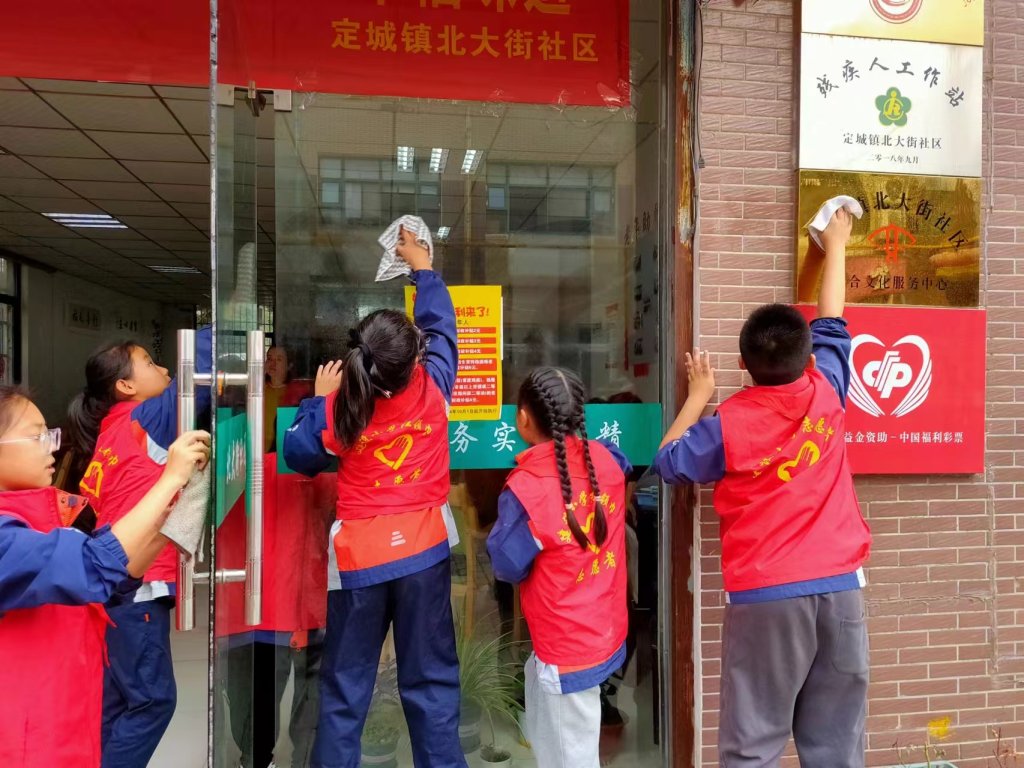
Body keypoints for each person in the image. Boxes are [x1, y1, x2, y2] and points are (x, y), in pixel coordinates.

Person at [653, 208, 872, 767]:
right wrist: (836, 243)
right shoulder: (827, 391)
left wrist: (698, 396)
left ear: (742, 365)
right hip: (842, 590)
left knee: (753, 746)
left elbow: (667, 461)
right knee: (838, 747)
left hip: (766, 598)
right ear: (809, 360)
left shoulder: (727, 425)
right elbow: (832, 318)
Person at [284, 227, 465, 768]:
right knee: (431, 684)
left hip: (360, 562)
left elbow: (298, 454)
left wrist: (316, 401)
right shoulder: (434, 387)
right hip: (423, 554)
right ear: (415, 360)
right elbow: (443, 327)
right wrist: (423, 269)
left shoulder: (340, 409)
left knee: (345, 690)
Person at [0, 384, 209, 768]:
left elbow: (109, 581)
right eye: (36, 436)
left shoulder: (36, 523)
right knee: (151, 700)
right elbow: (93, 566)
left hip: (62, 733)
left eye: (50, 434)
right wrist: (167, 480)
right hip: (27, 748)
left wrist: (171, 510)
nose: (51, 447)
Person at [68, 327, 213, 768]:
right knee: (152, 701)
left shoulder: (109, 432)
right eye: (150, 363)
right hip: (138, 585)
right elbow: (201, 357)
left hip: (109, 580)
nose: (163, 369)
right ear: (125, 386)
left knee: (116, 700)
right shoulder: (145, 419)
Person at [486, 366, 631, 768]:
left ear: (522, 418)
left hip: (564, 647)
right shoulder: (608, 461)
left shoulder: (527, 488)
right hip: (603, 630)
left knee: (571, 757)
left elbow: (506, 565)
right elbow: (619, 465)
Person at [221, 344, 330, 768]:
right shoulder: (312, 473)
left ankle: (257, 756)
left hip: (255, 605)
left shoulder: (233, 470)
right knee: (306, 689)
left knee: (259, 690)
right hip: (296, 605)